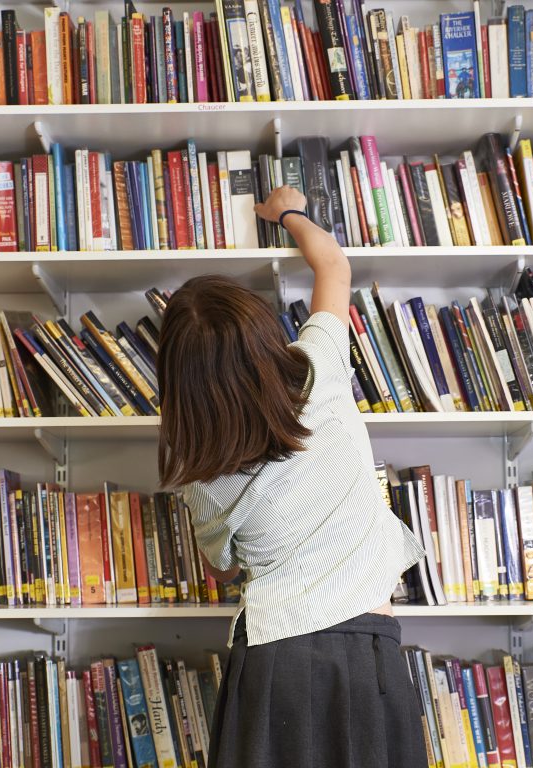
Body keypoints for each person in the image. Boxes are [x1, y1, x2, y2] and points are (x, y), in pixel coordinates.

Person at [157, 185, 428, 768]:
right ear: (263, 338)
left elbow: (223, 565)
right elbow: (332, 263)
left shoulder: (203, 469)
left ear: (181, 386)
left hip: (274, 660)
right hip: (366, 654)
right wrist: (290, 212)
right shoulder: (318, 368)